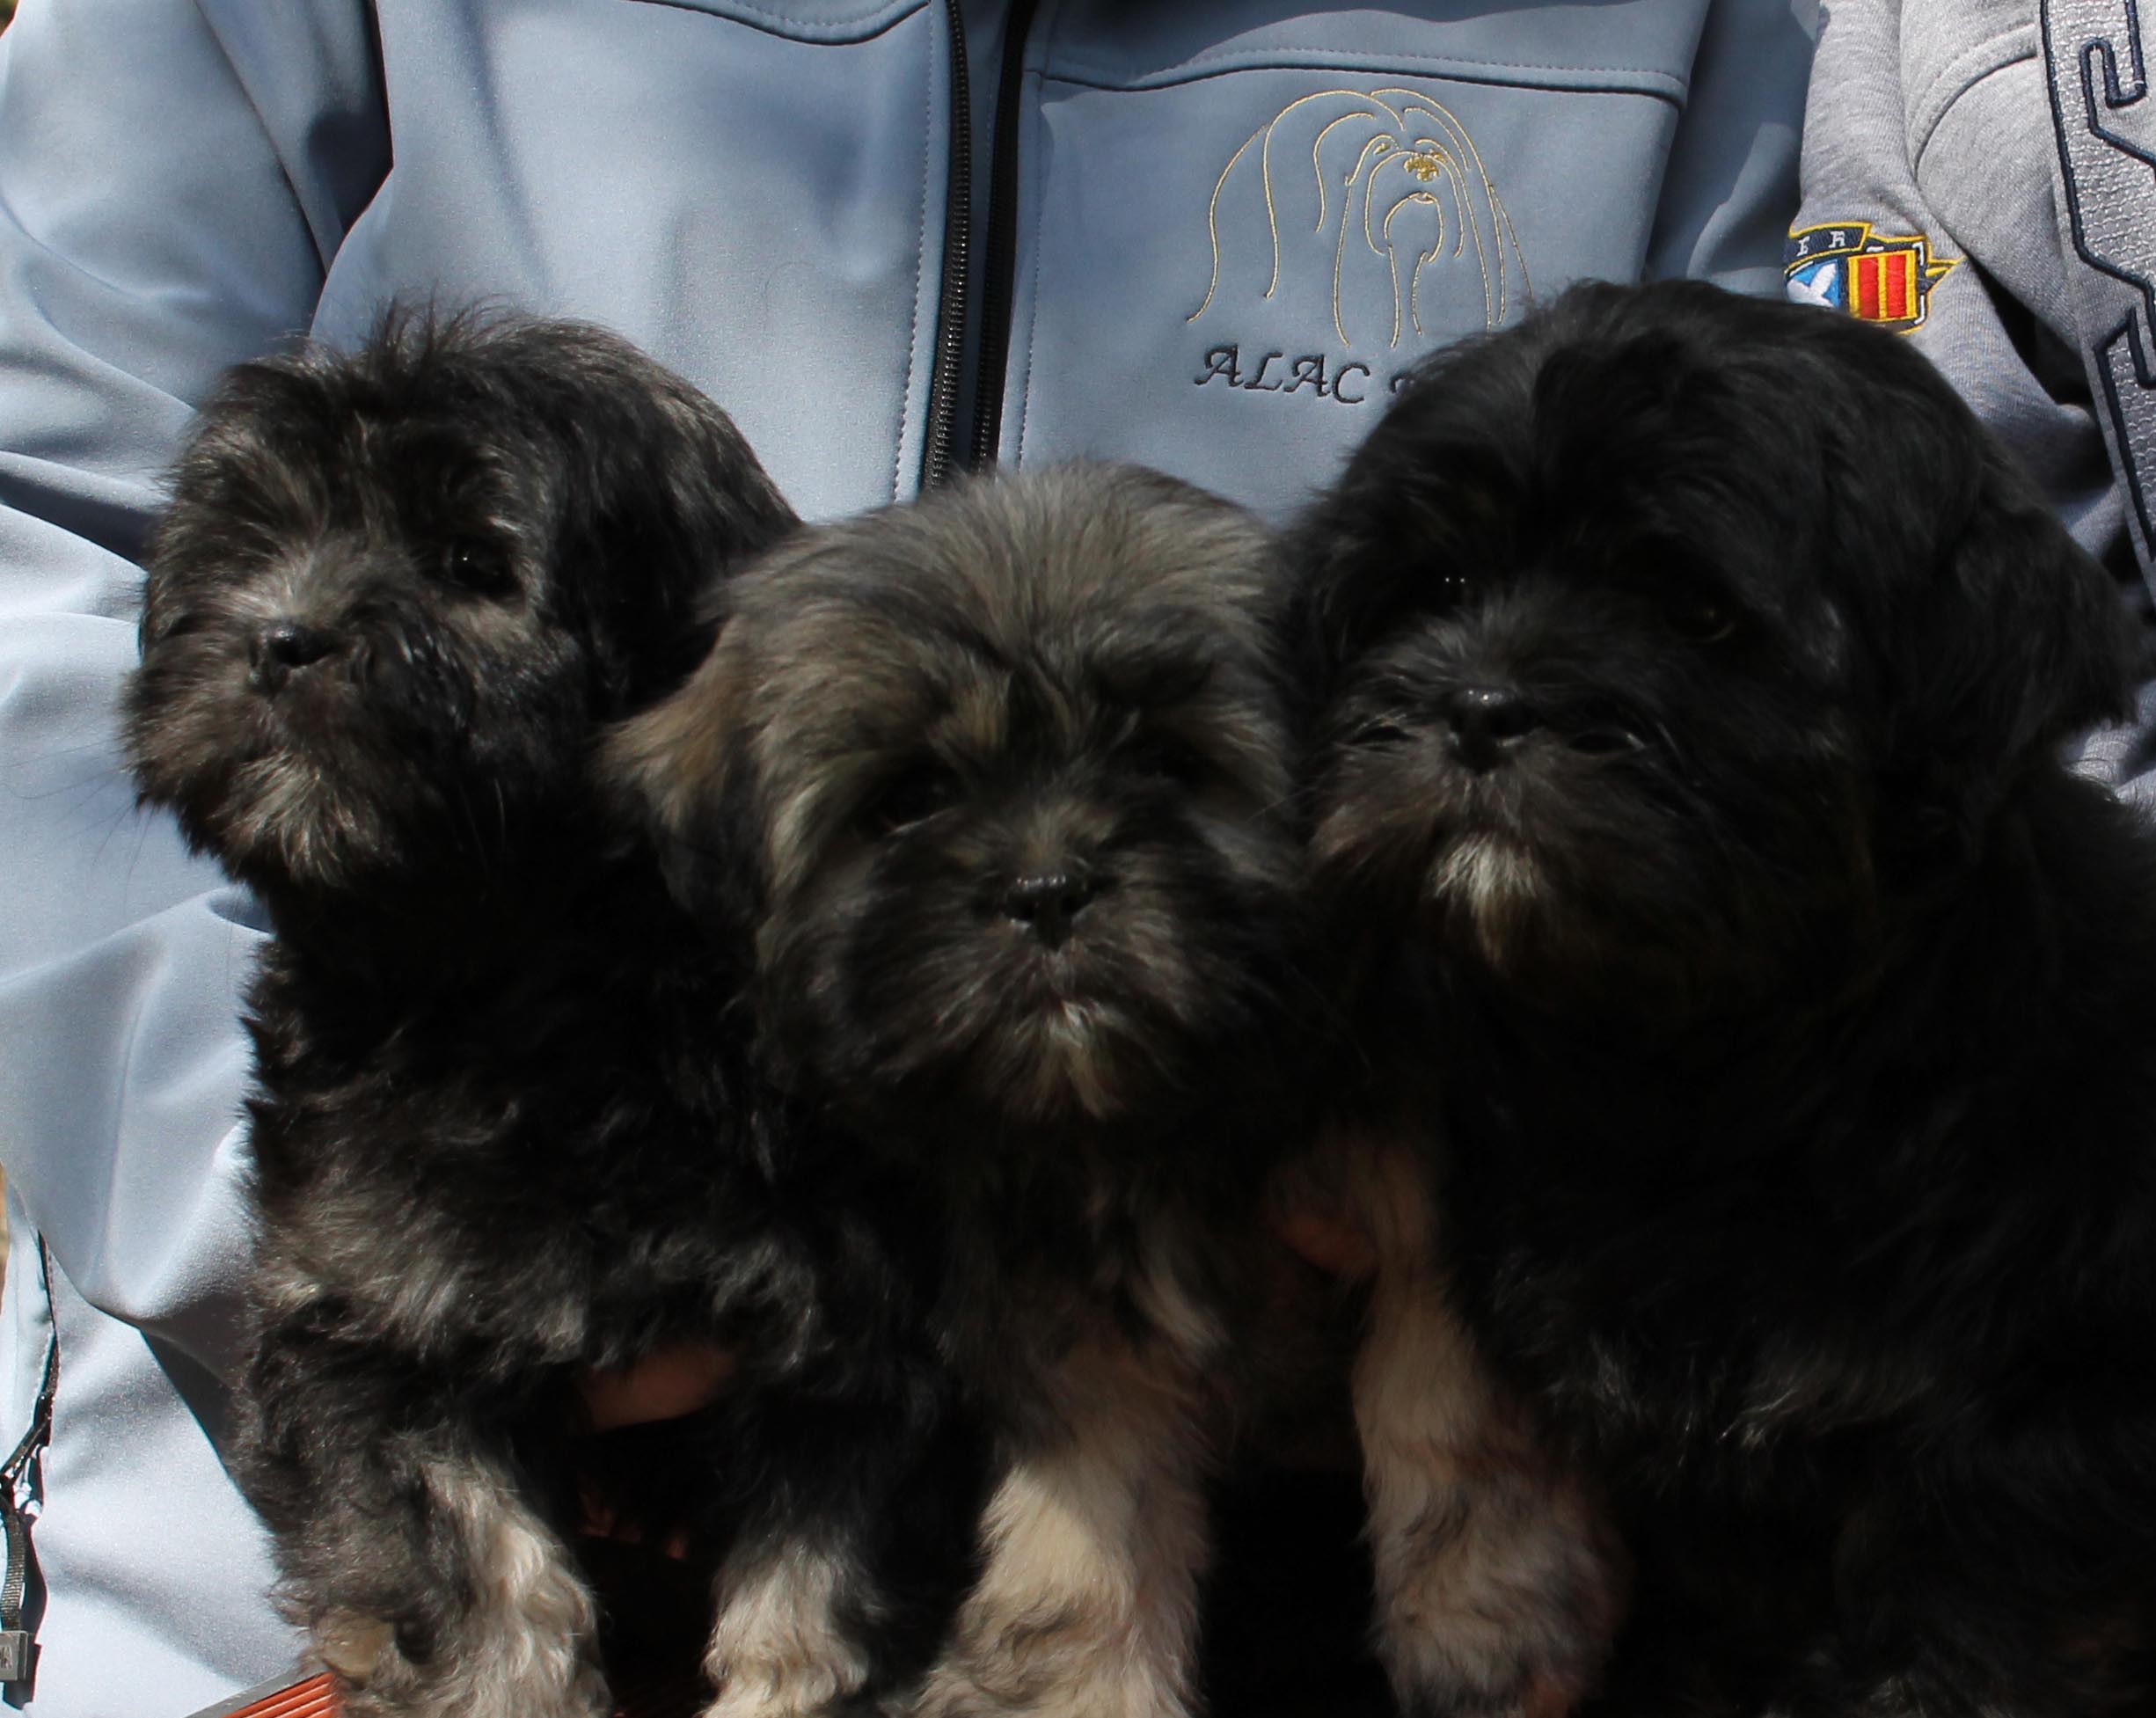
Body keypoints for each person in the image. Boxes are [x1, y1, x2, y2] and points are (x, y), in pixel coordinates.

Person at [0, 2, 1817, 1711]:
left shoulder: (1701, 27)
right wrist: (359, 1240)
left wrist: (1497, 1226)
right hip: (339, 1519)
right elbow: (48, 547)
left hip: (1328, 1518)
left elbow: (1768, 684)